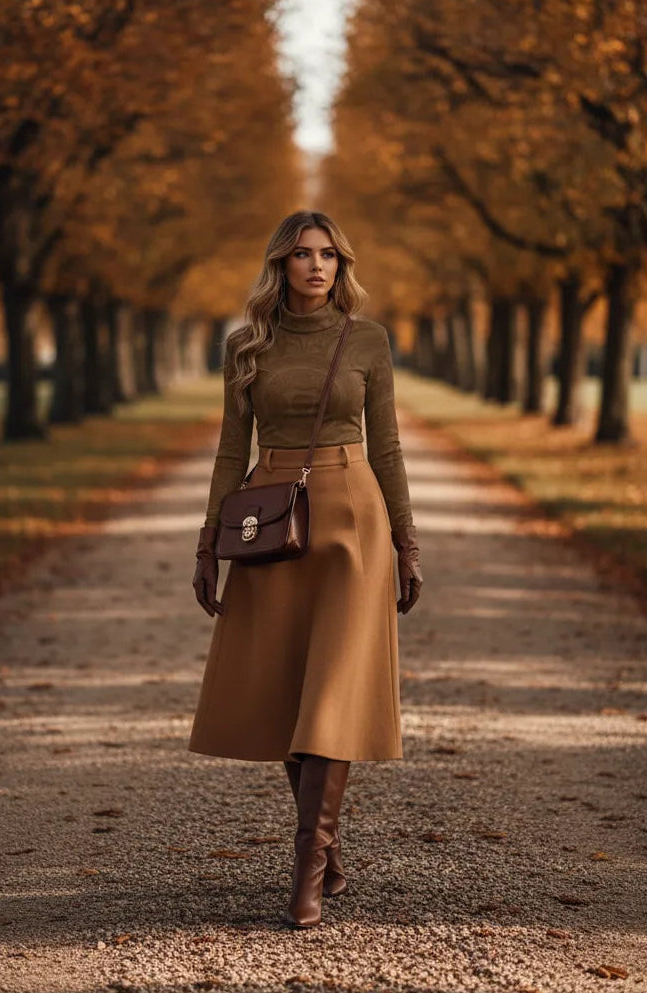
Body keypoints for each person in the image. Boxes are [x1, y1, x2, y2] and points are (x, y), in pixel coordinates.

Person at [190, 209, 422, 928]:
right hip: (270, 518)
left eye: (327, 254)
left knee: (332, 688)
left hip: (353, 517)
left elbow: (387, 447)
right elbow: (231, 451)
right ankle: (326, 849)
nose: (316, 266)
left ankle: (306, 868)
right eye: (302, 254)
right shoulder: (247, 345)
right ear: (280, 265)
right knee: (288, 686)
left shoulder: (367, 340)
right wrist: (207, 543)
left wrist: (407, 542)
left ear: (341, 264)